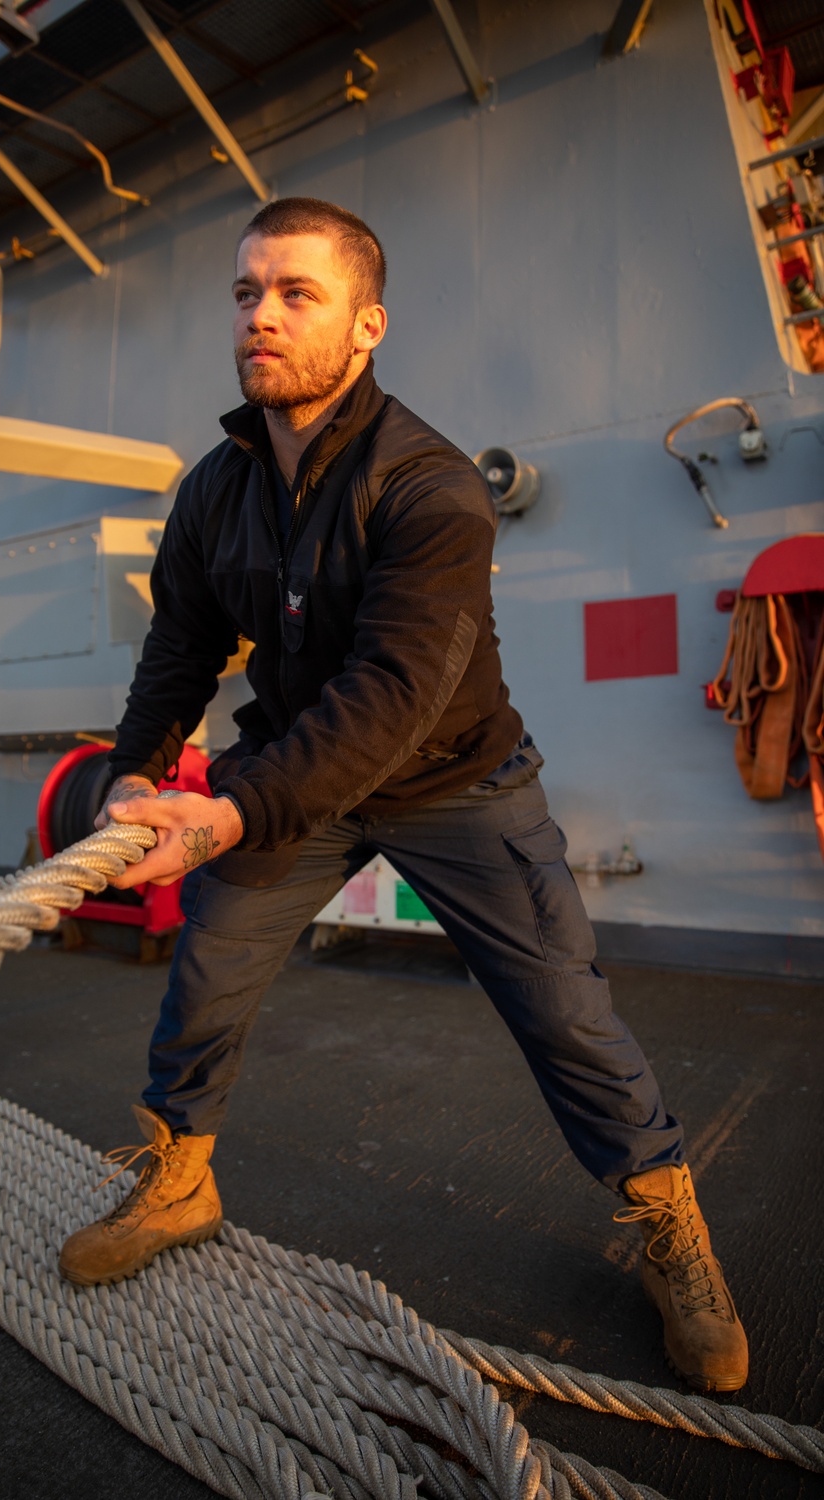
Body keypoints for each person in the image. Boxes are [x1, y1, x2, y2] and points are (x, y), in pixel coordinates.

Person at [59, 198, 748, 1394]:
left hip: (457, 782)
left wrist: (222, 814)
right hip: (296, 780)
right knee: (208, 967)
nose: (260, 316)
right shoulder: (214, 491)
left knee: (565, 1014)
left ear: (366, 324)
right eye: (245, 293)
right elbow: (179, 647)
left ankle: (666, 1221)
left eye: (295, 294)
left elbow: (391, 699)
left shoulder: (431, 488)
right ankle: (180, 1174)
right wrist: (133, 770)